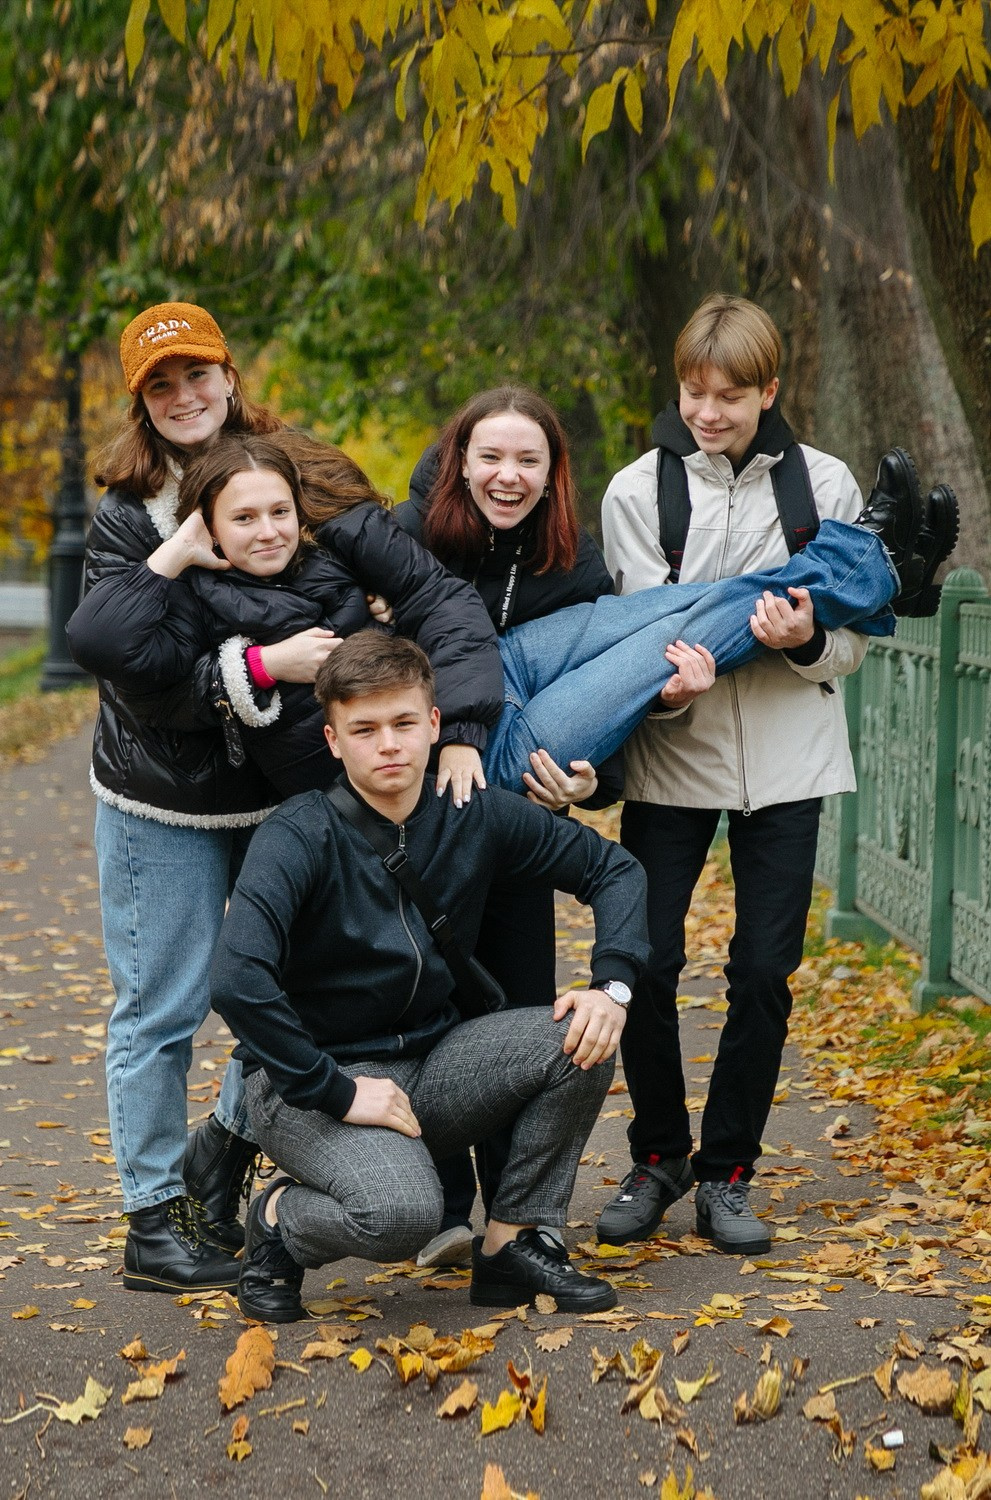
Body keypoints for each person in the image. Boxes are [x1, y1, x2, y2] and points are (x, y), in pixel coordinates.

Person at [392, 384, 952, 1261]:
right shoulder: (401, 535)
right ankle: (876, 571)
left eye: (528, 459)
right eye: (489, 457)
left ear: (552, 471)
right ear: (454, 460)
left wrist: (587, 781)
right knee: (626, 966)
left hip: (558, 714)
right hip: (466, 758)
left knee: (686, 613)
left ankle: (868, 572)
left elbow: (608, 744)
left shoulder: (563, 557)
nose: (508, 475)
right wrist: (461, 729)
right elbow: (374, 647)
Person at [596, 293, 958, 1256]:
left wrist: (804, 640)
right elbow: (640, 642)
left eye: (728, 396)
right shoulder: (639, 491)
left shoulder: (822, 483)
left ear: (769, 389)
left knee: (763, 972)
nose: (706, 413)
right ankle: (657, 1156)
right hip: (673, 759)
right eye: (691, 393)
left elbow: (847, 656)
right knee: (644, 966)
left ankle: (727, 1172)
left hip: (789, 764)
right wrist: (672, 692)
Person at [209, 631, 651, 1322]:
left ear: (434, 725)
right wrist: (337, 1090)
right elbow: (237, 977)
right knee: (402, 1216)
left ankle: (511, 1245)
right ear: (333, 740)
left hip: (431, 1064)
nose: (388, 744)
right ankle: (278, 1219)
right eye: (364, 729)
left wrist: (612, 985)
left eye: (403, 723)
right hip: (307, 1085)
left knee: (580, 1038)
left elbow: (612, 869)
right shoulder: (298, 835)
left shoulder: (470, 813)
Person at [65, 301, 308, 1294]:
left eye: (196, 375)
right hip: (157, 800)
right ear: (141, 403)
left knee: (281, 1001)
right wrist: (248, 653)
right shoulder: (127, 517)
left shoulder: (283, 473)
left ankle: (220, 1149)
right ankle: (152, 1221)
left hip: (270, 793)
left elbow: (354, 573)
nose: (183, 396)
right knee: (160, 1010)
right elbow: (130, 664)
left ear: (228, 375)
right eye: (160, 385)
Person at [69, 432, 505, 800]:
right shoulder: (196, 597)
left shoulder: (337, 555)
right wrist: (179, 553)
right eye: (243, 518)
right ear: (209, 526)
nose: (268, 532)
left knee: (574, 633)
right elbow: (100, 643)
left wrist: (459, 734)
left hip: (433, 759)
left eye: (280, 512)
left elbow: (444, 602)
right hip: (343, 804)